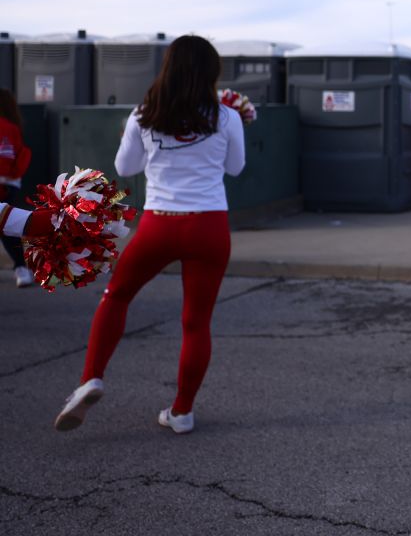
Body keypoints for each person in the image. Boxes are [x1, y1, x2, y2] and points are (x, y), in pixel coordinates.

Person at [53, 35, 246, 435]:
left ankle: (91, 377)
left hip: (160, 224)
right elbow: (236, 168)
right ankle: (182, 412)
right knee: (196, 322)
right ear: (211, 72)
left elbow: (124, 167)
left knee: (117, 295)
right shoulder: (226, 117)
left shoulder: (145, 114)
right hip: (208, 225)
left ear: (168, 68)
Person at [0, 89, 35, 286]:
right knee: (7, 227)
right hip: (9, 185)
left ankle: (22, 268)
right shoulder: (13, 128)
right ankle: (21, 269)